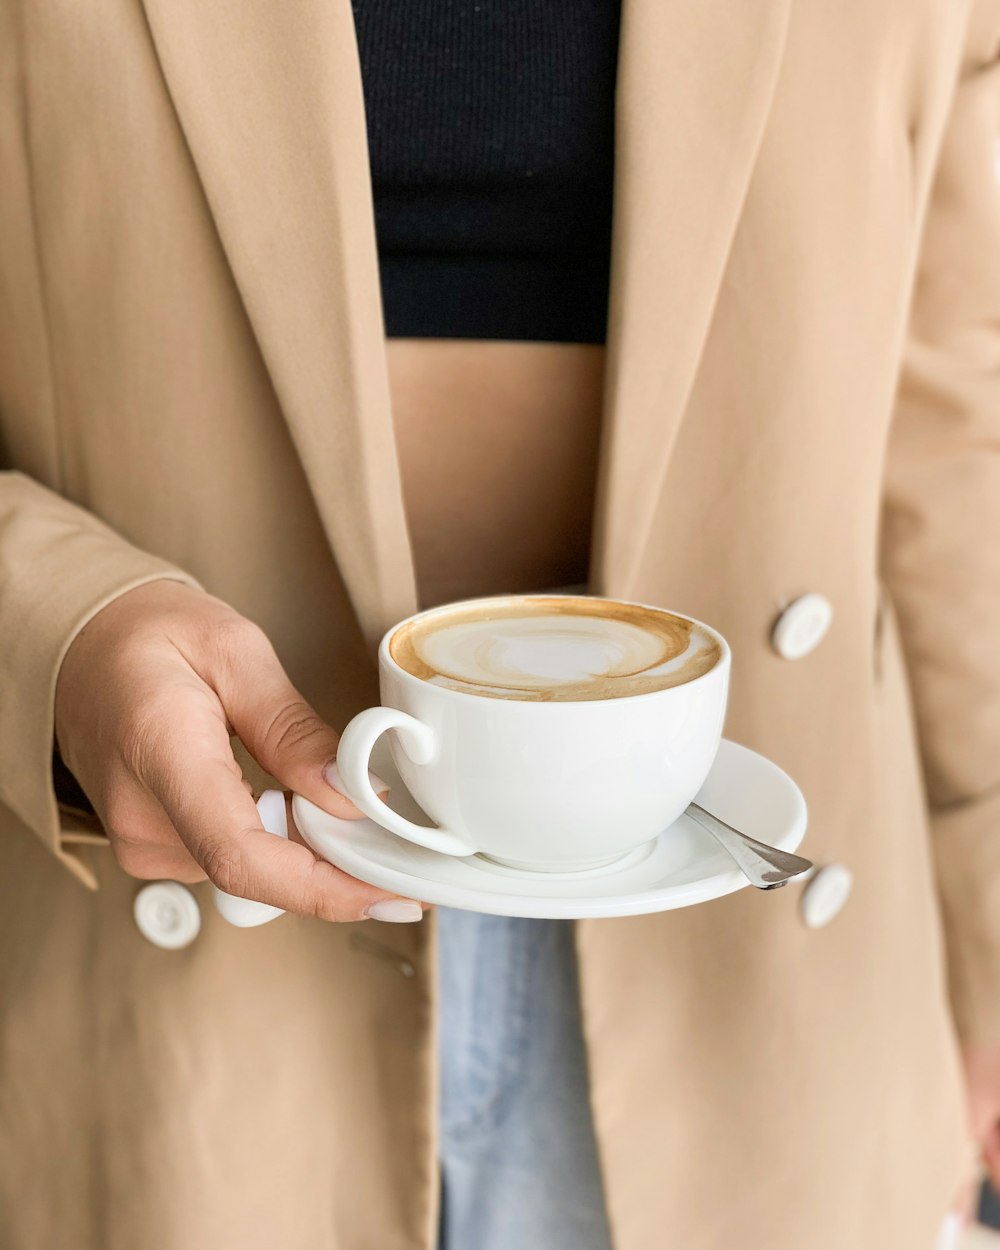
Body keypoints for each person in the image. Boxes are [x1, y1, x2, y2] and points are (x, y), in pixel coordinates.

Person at [1, 2, 999, 1248]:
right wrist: (47, 618)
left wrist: (989, 919)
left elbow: (956, 416)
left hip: (767, 989)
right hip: (165, 967)